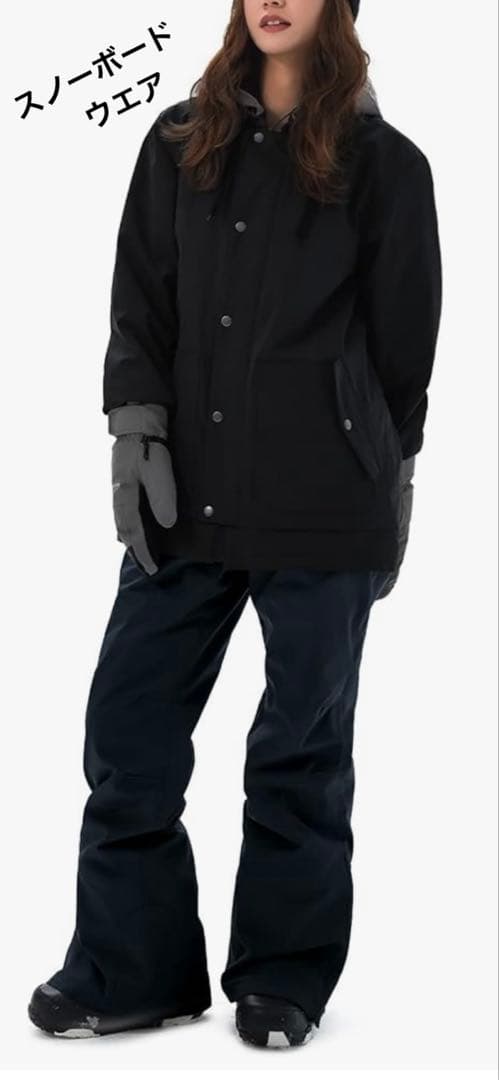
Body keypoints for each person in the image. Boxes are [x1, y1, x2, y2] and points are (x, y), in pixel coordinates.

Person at [28, 0, 442, 1050]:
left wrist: (392, 484)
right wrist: (135, 431)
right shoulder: (178, 143)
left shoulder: (388, 167)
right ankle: (133, 970)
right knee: (128, 730)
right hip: (190, 496)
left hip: (325, 501)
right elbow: (140, 299)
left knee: (301, 750)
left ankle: (283, 979)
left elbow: (405, 348)